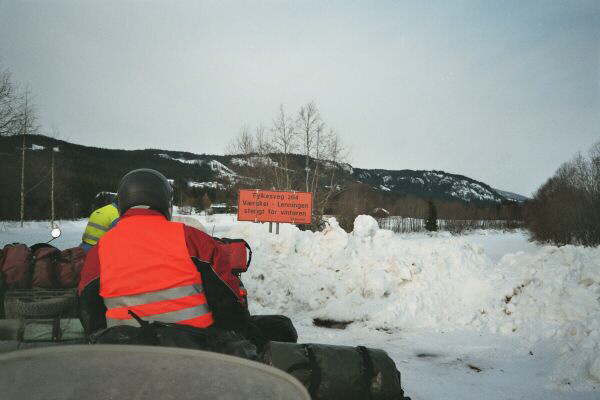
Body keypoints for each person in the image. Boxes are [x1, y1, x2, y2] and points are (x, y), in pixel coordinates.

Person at [77, 169, 254, 347]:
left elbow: (88, 309)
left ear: (123, 203)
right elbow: (227, 298)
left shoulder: (99, 250)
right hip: (196, 353)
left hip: (125, 356)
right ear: (165, 203)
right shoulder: (192, 239)